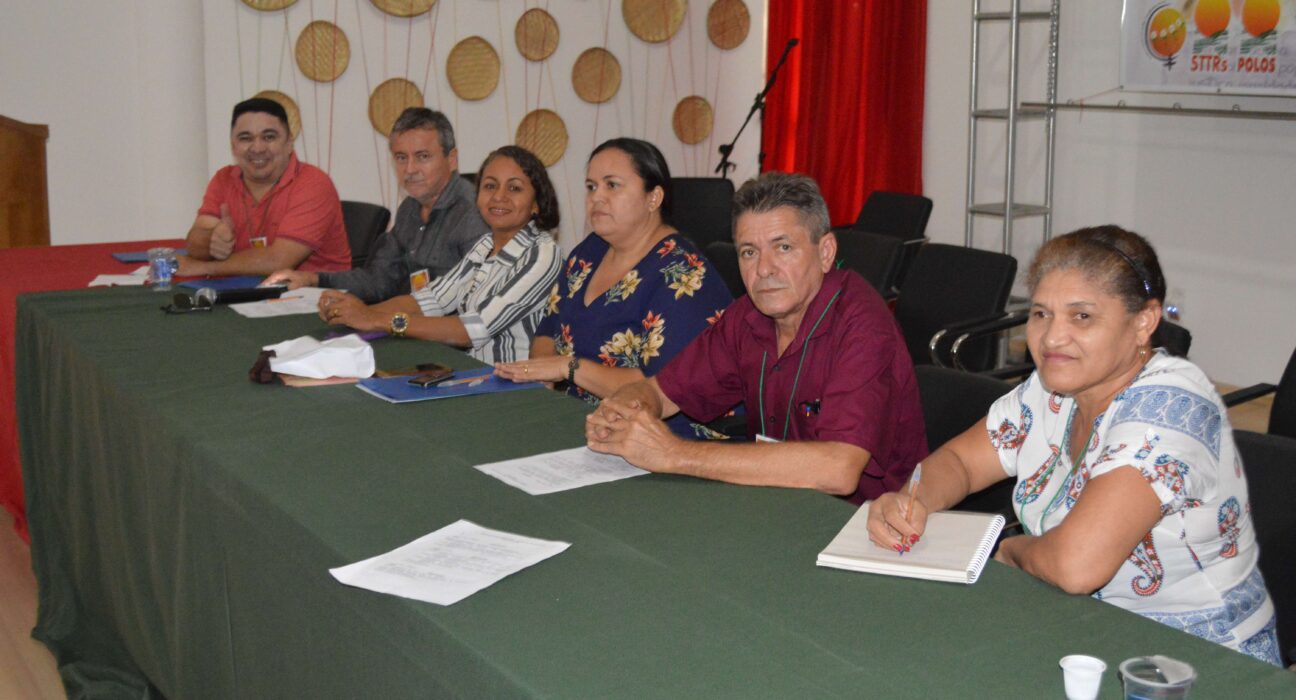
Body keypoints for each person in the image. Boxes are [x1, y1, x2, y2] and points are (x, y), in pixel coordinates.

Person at [866, 225, 1281, 665]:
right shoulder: (1052, 390)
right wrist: (914, 502)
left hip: (1197, 661)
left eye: (1081, 317)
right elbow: (961, 463)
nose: (1051, 338)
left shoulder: (1171, 410)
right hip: (1078, 630)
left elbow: (1075, 566)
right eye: (1041, 314)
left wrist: (1009, 550)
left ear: (1144, 322)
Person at [582, 172, 927, 501]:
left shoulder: (864, 326)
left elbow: (838, 470)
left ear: (825, 253)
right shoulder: (747, 315)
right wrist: (625, 411)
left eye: (783, 248)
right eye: (749, 252)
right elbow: (662, 391)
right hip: (775, 500)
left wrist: (673, 453)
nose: (763, 269)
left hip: (864, 521)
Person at [494, 138, 732, 437]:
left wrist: (568, 368)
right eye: (591, 186)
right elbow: (548, 328)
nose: (597, 197)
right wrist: (542, 372)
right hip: (579, 420)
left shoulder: (682, 273)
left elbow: (658, 389)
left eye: (612, 185)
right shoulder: (589, 252)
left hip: (662, 436)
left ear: (653, 198)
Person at [315, 146, 560, 364]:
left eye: (514, 188)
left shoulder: (542, 253)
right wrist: (354, 312)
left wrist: (376, 319)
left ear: (536, 203)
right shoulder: (486, 245)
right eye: (490, 186)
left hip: (512, 385)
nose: (499, 196)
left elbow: (471, 331)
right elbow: (431, 300)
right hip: (470, 371)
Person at [265, 107, 485, 302]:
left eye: (423, 156)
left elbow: (463, 301)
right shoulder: (410, 208)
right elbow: (378, 280)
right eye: (401, 157)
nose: (410, 169)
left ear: (452, 159)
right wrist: (312, 279)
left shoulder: (474, 212)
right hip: (409, 321)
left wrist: (380, 316)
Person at [178, 97, 351, 276]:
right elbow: (195, 245)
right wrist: (211, 240)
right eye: (245, 138)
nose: (258, 148)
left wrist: (204, 268)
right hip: (244, 288)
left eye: (269, 137)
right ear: (233, 147)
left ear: (289, 143)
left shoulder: (313, 183)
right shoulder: (224, 179)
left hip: (313, 291)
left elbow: (279, 261)